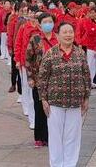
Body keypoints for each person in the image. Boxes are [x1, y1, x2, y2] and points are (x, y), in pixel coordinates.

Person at [38, 22, 91, 167]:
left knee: (72, 137)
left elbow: (86, 76)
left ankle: (70, 163)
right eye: (65, 32)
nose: (68, 35)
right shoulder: (51, 54)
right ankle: (56, 164)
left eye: (70, 32)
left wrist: (86, 97)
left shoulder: (80, 53)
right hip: (55, 102)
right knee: (55, 137)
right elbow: (42, 78)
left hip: (75, 102)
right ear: (58, 35)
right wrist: (43, 99)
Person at [26, 12, 59, 148]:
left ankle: (49, 136)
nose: (48, 24)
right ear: (39, 24)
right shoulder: (35, 39)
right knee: (39, 108)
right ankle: (39, 137)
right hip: (38, 80)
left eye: (50, 21)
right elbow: (28, 58)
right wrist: (30, 77)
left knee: (53, 110)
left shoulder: (58, 38)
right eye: (45, 22)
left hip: (56, 80)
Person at [80, 4, 96, 89]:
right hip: (91, 47)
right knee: (90, 64)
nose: (91, 14)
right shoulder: (88, 22)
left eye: (93, 13)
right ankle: (89, 82)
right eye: (90, 13)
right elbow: (89, 32)